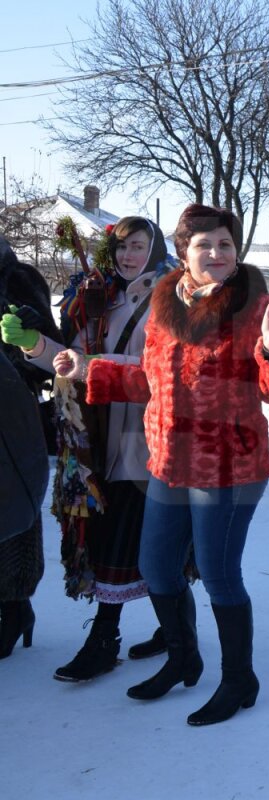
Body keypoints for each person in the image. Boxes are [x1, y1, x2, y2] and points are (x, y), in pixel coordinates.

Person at [77, 203, 269, 725]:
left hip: (230, 466)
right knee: (157, 567)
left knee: (221, 575)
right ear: (184, 252)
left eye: (226, 244)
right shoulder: (164, 303)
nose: (217, 253)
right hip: (168, 461)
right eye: (206, 245)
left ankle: (239, 679)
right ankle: (183, 658)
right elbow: (153, 380)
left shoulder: (254, 305)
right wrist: (90, 370)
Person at [11, 217, 176, 681]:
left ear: (155, 249)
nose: (128, 256)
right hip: (98, 440)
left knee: (122, 539)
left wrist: (93, 366)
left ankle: (104, 638)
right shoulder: (102, 299)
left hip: (145, 441)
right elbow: (71, 362)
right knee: (140, 541)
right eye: (122, 247)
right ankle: (174, 627)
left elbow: (160, 369)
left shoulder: (169, 301)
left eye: (138, 246)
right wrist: (35, 346)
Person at [0, 235, 61, 658]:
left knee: (11, 506)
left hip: (10, 414)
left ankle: (15, 606)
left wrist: (27, 333)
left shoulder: (17, 277)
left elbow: (50, 351)